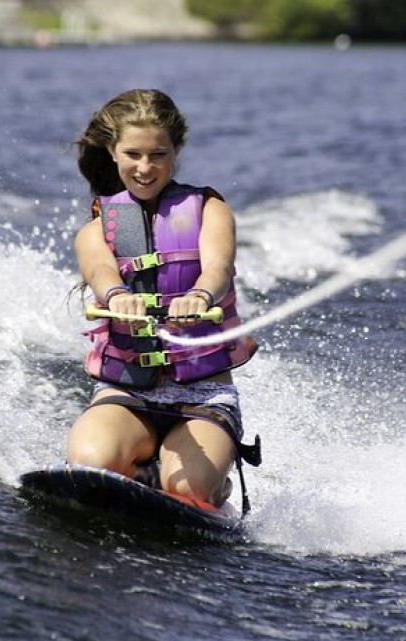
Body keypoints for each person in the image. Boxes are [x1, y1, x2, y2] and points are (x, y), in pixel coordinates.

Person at [66, 89, 258, 508]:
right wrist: (117, 295)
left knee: (187, 489)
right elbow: (101, 271)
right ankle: (143, 468)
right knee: (89, 463)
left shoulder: (210, 210)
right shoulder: (96, 229)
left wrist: (200, 295)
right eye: (133, 154)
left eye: (159, 155)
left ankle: (212, 483)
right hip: (127, 392)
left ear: (176, 152)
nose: (145, 167)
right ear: (113, 152)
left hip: (203, 395)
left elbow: (218, 268)